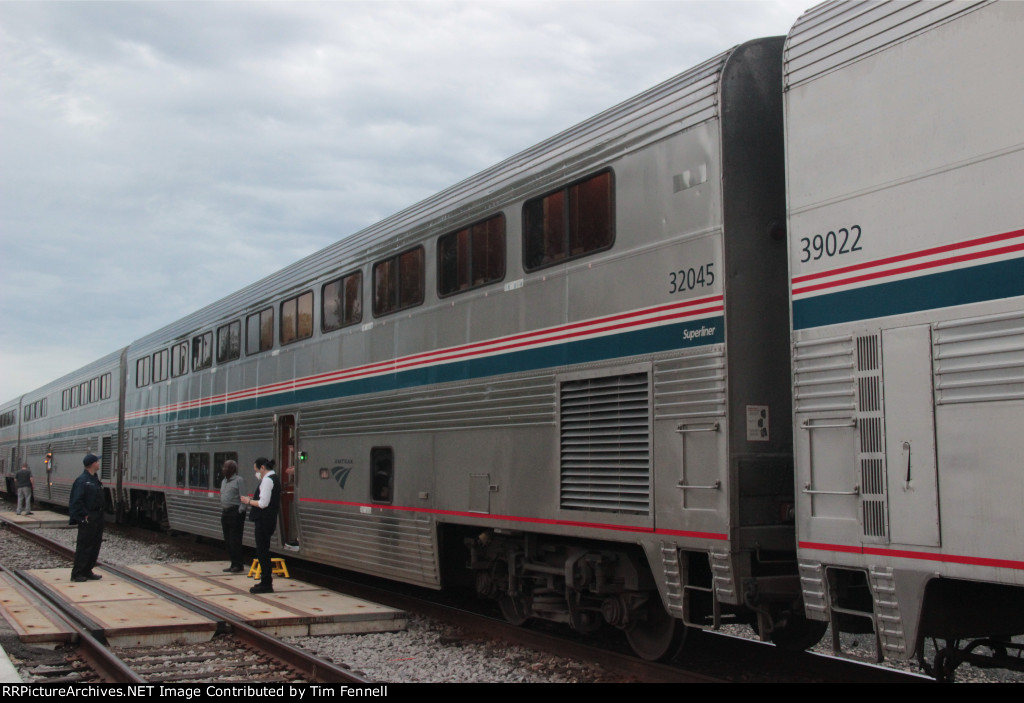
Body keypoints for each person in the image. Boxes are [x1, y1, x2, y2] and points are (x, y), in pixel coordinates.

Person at [240, 458, 279, 593]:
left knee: (263, 551)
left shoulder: (268, 480)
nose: (257, 474)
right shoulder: (273, 478)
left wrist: (248, 501)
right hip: (268, 520)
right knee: (263, 550)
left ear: (262, 468)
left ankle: (266, 583)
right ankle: (264, 581)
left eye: (257, 470)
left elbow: (263, 503)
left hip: (264, 520)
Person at [69, 454, 104, 582]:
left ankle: (88, 569)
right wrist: (84, 515)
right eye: (97, 461)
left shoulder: (94, 479)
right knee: (84, 545)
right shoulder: (82, 480)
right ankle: (77, 572)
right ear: (92, 464)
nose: (99, 463)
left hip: (97, 516)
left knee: (95, 545)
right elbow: (76, 500)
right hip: (88, 517)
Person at [219, 460, 247, 573]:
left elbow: (244, 497)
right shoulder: (224, 481)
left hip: (235, 512)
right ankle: (232, 563)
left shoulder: (239, 480)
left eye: (225, 468)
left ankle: (238, 564)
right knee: (227, 540)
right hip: (225, 512)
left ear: (231, 469)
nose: (223, 469)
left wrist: (240, 511)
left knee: (235, 539)